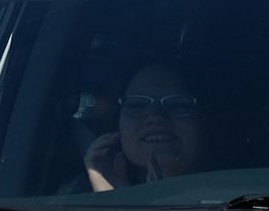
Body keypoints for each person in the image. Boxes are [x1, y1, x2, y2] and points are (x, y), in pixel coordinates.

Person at [84, 62, 207, 190]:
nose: (155, 116)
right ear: (117, 126)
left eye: (177, 104)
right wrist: (114, 198)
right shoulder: (73, 198)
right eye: (136, 105)